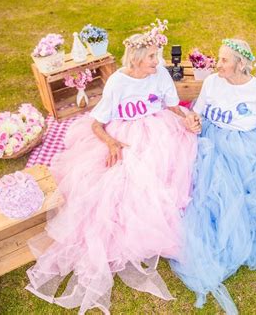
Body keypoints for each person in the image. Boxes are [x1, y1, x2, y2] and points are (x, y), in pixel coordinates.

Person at [26, 32, 199, 314]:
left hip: (159, 129)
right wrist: (110, 142)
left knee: (168, 163)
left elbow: (172, 105)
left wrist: (187, 118)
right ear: (137, 59)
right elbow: (97, 123)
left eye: (157, 55)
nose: (158, 60)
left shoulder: (161, 75)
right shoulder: (118, 81)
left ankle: (159, 214)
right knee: (117, 179)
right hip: (125, 133)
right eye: (153, 57)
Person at [170, 39, 256, 314]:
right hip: (210, 137)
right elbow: (198, 112)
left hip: (241, 145)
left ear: (240, 64)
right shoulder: (212, 82)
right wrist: (194, 121)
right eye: (218, 59)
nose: (217, 64)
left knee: (231, 192)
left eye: (223, 60)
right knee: (195, 182)